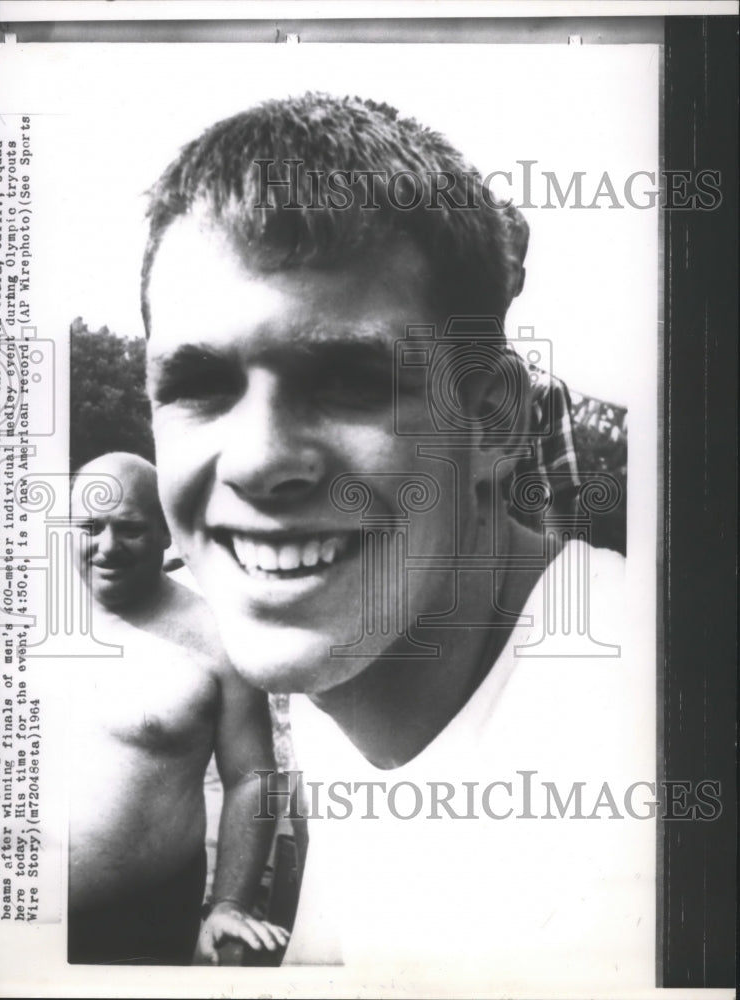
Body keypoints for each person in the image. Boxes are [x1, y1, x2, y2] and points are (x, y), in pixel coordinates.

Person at [141, 94, 654, 986]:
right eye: (200, 385)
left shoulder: (638, 778)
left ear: (497, 419)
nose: (259, 464)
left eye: (350, 381)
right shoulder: (362, 654)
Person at [67, 451, 289, 965]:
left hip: (140, 928)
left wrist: (229, 903)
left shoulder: (215, 634)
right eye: (89, 526)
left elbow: (254, 777)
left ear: (167, 531)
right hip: (5, 915)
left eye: (130, 529)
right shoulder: (19, 616)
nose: (106, 546)